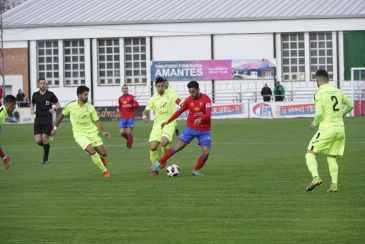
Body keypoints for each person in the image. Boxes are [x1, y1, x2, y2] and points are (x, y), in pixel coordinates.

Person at [305, 69, 353, 193]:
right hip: (340, 129)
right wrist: (341, 114)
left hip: (327, 129)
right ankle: (334, 185)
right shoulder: (338, 91)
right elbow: (350, 105)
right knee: (331, 157)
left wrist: (314, 123)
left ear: (317, 80)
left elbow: (319, 113)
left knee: (310, 153)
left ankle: (315, 177)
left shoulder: (319, 93)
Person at [150, 80, 212, 176]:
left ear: (198, 89)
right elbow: (179, 111)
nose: (191, 94)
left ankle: (195, 170)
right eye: (190, 92)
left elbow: (208, 114)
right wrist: (168, 121)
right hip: (190, 128)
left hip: (204, 131)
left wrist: (201, 118)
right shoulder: (188, 100)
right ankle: (159, 162)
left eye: (193, 92)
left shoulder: (206, 99)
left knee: (206, 152)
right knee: (178, 147)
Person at [50, 85, 111, 177]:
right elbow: (61, 116)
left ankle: (100, 158)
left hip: (92, 133)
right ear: (79, 95)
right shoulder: (71, 106)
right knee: (91, 151)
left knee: (104, 153)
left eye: (87, 95)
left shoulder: (90, 107)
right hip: (79, 134)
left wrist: (103, 131)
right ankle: (105, 171)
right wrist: (55, 128)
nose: (87, 97)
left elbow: (96, 121)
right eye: (85, 95)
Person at [142, 77, 182, 171]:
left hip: (169, 123)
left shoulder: (171, 95)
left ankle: (164, 157)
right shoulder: (153, 99)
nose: (160, 88)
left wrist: (185, 105)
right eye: (158, 86)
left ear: (165, 85)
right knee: (153, 147)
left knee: (163, 143)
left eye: (162, 86)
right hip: (157, 125)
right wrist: (145, 117)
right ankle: (154, 168)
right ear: (156, 86)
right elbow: (145, 111)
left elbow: (180, 102)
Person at [30, 78, 60, 164]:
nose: (43, 85)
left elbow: (58, 105)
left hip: (47, 119)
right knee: (38, 141)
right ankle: (47, 146)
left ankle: (45, 159)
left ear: (46, 84)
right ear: (38, 85)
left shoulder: (50, 94)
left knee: (44, 138)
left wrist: (53, 109)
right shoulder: (35, 95)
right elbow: (32, 105)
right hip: (38, 119)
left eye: (44, 83)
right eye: (41, 83)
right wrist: (32, 110)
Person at [117, 84, 139, 149]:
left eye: (126, 88)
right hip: (123, 118)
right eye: (123, 88)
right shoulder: (120, 98)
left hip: (130, 117)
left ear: (128, 90)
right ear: (122, 90)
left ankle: (129, 145)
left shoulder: (132, 97)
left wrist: (131, 105)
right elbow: (120, 106)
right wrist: (118, 109)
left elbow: (137, 105)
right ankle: (130, 139)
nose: (125, 90)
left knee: (129, 132)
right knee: (122, 132)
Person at [0, 95, 17, 170]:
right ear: (10, 105)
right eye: (14, 106)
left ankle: (5, 158)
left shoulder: (4, 112)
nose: (14, 108)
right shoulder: (1, 114)